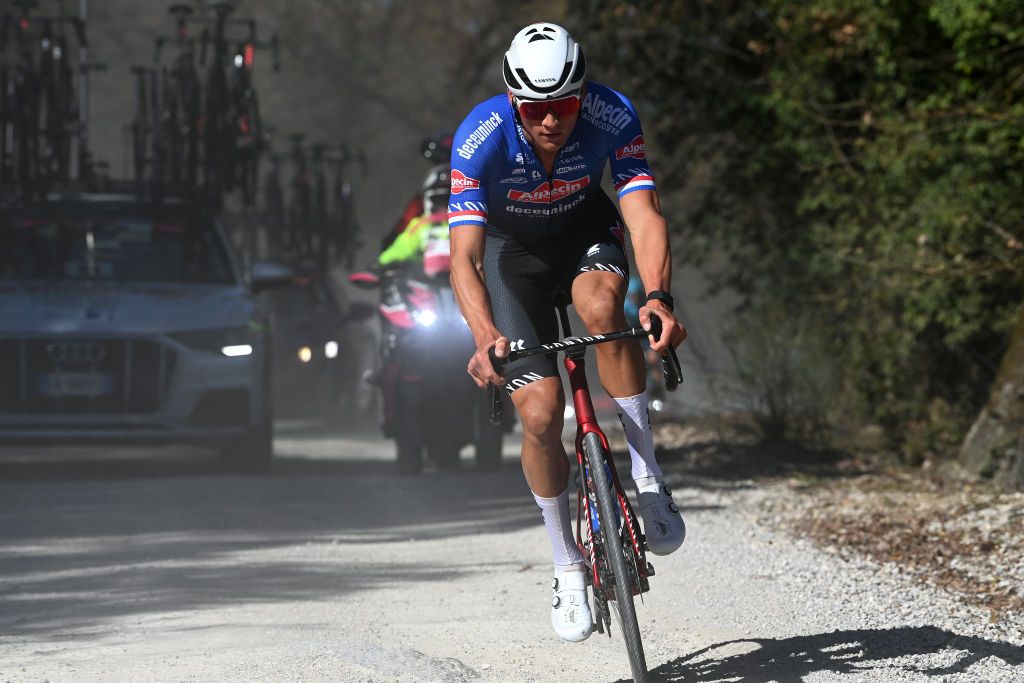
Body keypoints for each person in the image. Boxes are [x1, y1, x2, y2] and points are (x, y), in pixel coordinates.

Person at [447, 22, 687, 643]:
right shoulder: (479, 137)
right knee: (539, 412)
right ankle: (565, 564)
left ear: (582, 95)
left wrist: (658, 297)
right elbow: (464, 259)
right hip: (511, 256)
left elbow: (643, 215)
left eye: (563, 106)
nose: (551, 120)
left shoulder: (611, 114)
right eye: (535, 109)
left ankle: (647, 474)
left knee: (606, 310)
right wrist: (482, 335)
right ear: (512, 100)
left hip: (585, 230)